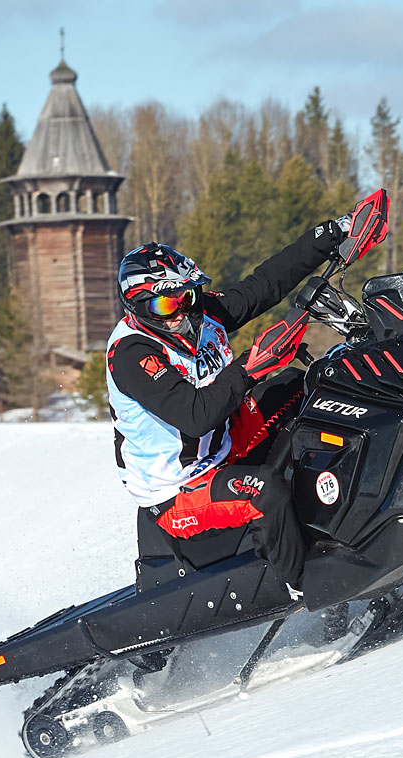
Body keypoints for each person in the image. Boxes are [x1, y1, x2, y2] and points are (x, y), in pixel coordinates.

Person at [104, 218, 348, 598]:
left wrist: (332, 234)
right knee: (265, 492)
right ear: (139, 307)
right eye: (166, 304)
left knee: (304, 386)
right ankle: (306, 590)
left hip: (223, 447)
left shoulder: (198, 314)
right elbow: (195, 415)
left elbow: (262, 287)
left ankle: (342, 513)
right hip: (177, 491)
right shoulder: (133, 353)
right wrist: (249, 367)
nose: (181, 312)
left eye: (185, 297)